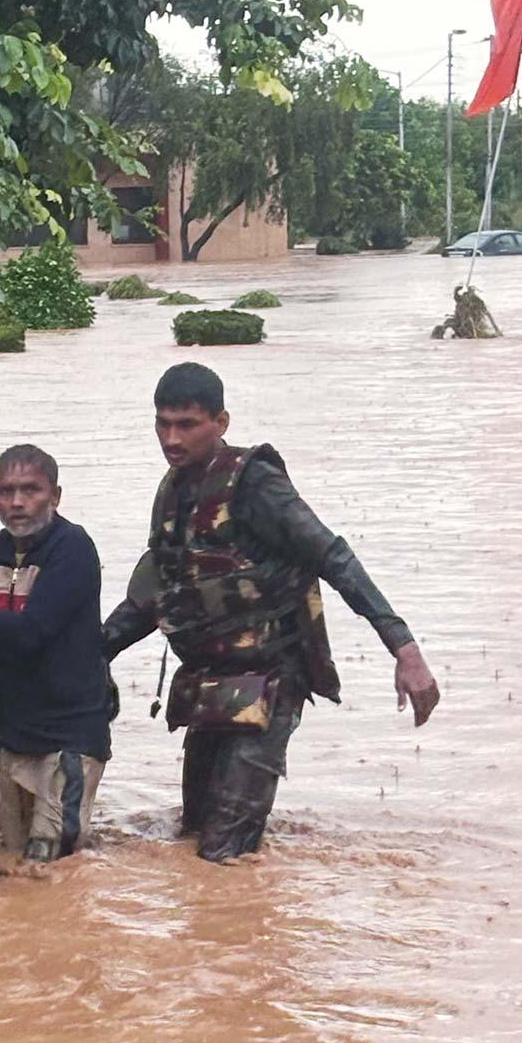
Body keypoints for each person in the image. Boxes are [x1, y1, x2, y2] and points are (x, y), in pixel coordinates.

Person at [103, 362, 440, 864]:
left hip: (269, 678)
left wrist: (404, 649)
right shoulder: (172, 492)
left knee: (223, 856)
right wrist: (90, 652)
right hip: (207, 684)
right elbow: (156, 596)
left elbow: (333, 556)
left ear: (221, 422)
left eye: (187, 424)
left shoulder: (253, 482)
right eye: (162, 424)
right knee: (192, 834)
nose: (171, 438)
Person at [0, 445, 111, 863]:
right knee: (8, 861)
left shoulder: (73, 548)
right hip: (12, 733)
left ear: (55, 495)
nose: (18, 503)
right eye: (6, 492)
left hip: (68, 737)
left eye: (31, 490)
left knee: (52, 866)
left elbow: (30, 634)